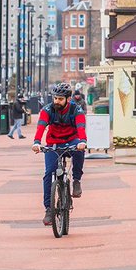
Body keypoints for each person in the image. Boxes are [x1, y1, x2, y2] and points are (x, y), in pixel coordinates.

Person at [32, 82, 87, 226]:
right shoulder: (47, 110)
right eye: (55, 98)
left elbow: (81, 126)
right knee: (48, 173)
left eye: (60, 99)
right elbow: (41, 126)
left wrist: (82, 141)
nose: (56, 101)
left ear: (68, 99)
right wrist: (37, 142)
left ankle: (76, 181)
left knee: (79, 152)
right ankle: (49, 210)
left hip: (72, 140)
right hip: (53, 143)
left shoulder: (77, 109)